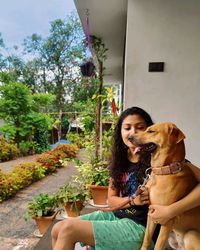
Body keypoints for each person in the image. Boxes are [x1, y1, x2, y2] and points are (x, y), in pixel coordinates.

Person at [51, 106, 200, 250]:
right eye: (127, 128)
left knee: (68, 229)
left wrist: (171, 211)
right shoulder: (120, 161)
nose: (133, 133)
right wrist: (133, 200)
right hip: (117, 216)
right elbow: (111, 201)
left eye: (140, 127)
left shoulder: (162, 159)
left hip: (139, 226)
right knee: (57, 228)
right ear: (120, 132)